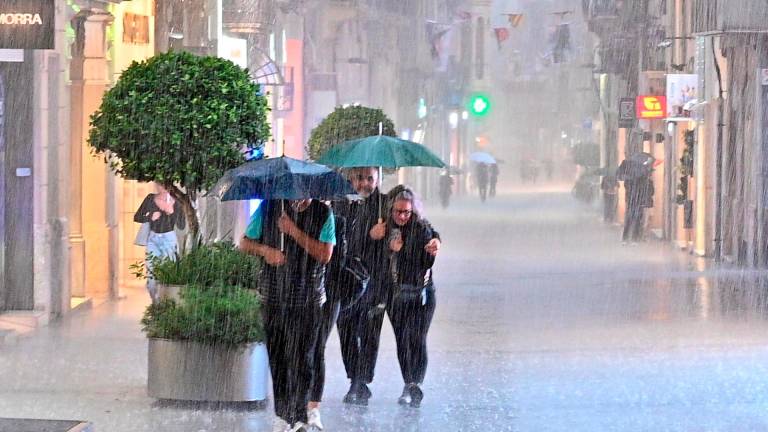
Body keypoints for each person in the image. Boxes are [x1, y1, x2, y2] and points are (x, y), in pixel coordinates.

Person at [334, 167, 441, 406]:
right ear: (351, 178)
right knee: (347, 332)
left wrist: (435, 239)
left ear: (378, 179)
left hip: (375, 282)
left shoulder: (385, 204)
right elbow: (337, 239)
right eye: (359, 178)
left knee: (370, 333)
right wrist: (368, 235)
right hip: (345, 279)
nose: (364, 183)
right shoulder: (339, 204)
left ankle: (361, 382)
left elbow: (419, 224)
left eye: (370, 178)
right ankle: (354, 376)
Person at [239, 199, 335, 432]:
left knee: (304, 358)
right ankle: (283, 414)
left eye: (303, 193)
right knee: (279, 358)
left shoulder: (324, 213)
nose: (297, 198)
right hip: (274, 297)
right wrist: (265, 251)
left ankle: (301, 415)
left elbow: (325, 255)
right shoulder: (269, 207)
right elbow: (244, 243)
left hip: (307, 299)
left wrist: (293, 231)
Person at [384, 186, 439, 408]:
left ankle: (417, 383)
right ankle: (408, 382)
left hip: (421, 293)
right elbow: (375, 258)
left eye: (406, 212)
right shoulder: (385, 228)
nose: (402, 216)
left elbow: (425, 262)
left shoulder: (422, 228)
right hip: (396, 294)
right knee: (402, 339)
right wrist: (390, 250)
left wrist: (431, 249)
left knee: (417, 338)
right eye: (398, 212)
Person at [306, 213, 348, 430]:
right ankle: (295, 404)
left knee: (317, 347)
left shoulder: (334, 220)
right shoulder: (286, 215)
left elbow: (330, 257)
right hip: (299, 293)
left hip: (329, 294)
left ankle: (313, 407)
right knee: (297, 349)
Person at [133, 184, 185, 302]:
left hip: (169, 239)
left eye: (163, 184)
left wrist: (172, 212)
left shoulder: (176, 201)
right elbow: (137, 217)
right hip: (153, 238)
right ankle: (155, 302)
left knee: (169, 274)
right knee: (151, 276)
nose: (161, 186)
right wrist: (150, 216)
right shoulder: (150, 198)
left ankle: (166, 303)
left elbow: (182, 225)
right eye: (158, 183)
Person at [622, 174, 653, 244]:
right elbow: (626, 187)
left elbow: (648, 192)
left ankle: (633, 238)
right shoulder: (629, 180)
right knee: (630, 220)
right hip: (632, 202)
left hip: (638, 203)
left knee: (636, 221)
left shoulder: (644, 181)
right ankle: (626, 238)